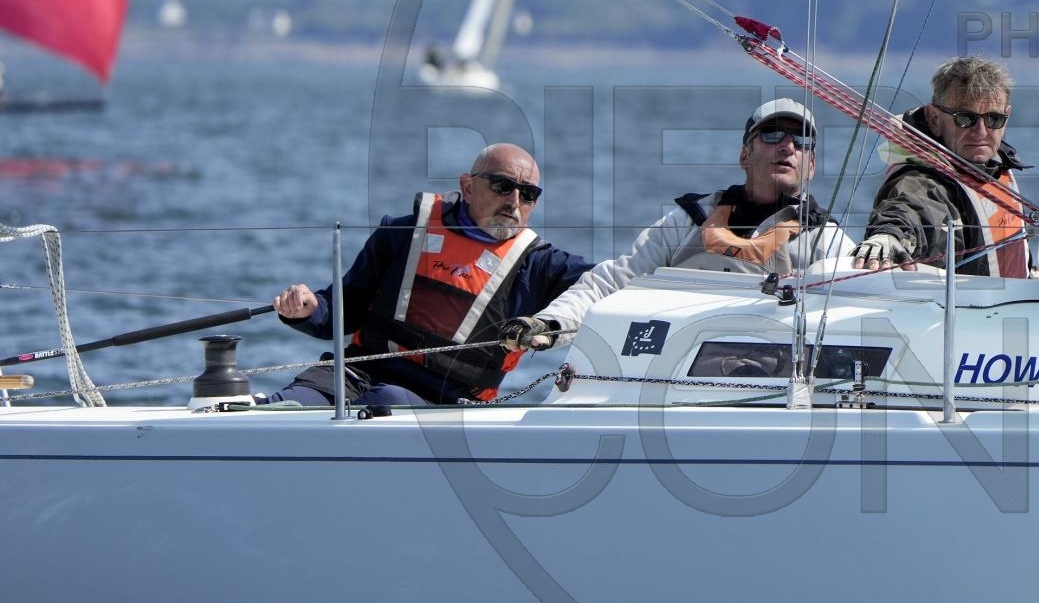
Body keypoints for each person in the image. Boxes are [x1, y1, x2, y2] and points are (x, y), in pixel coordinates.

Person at [505, 99, 849, 349]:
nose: (788, 146)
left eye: (802, 142)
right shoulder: (688, 221)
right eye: (772, 135)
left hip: (771, 383)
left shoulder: (827, 241)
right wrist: (550, 324)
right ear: (745, 155)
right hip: (676, 375)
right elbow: (610, 283)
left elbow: (861, 308)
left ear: (811, 166)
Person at [269, 144, 592, 405]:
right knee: (288, 404)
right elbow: (344, 310)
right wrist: (309, 310)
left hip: (443, 403)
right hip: (356, 375)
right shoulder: (402, 233)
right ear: (468, 187)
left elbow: (607, 284)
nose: (515, 201)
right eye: (503, 186)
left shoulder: (541, 266)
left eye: (528, 193)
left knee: (386, 401)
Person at [851, 56, 1039, 277]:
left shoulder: (997, 170)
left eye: (993, 119)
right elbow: (912, 207)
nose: (981, 132)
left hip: (1014, 296)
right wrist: (889, 236)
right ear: (934, 119)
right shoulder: (922, 181)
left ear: (1006, 117)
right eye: (965, 118)